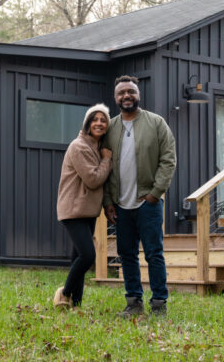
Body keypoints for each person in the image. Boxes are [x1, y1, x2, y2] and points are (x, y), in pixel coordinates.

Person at [103, 75, 176, 317]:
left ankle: (159, 305)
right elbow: (103, 166)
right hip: (120, 205)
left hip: (148, 203)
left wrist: (156, 193)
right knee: (127, 255)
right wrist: (107, 203)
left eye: (130, 92)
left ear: (138, 95)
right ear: (116, 98)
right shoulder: (109, 128)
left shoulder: (156, 123)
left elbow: (168, 160)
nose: (126, 96)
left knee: (154, 253)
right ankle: (133, 303)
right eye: (121, 92)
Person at [54, 104, 113, 309]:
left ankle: (76, 305)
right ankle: (64, 294)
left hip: (87, 210)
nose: (99, 123)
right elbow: (93, 179)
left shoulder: (95, 148)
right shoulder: (79, 146)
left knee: (77, 257)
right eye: (95, 119)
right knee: (88, 255)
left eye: (103, 120)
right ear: (87, 124)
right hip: (74, 209)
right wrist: (107, 160)